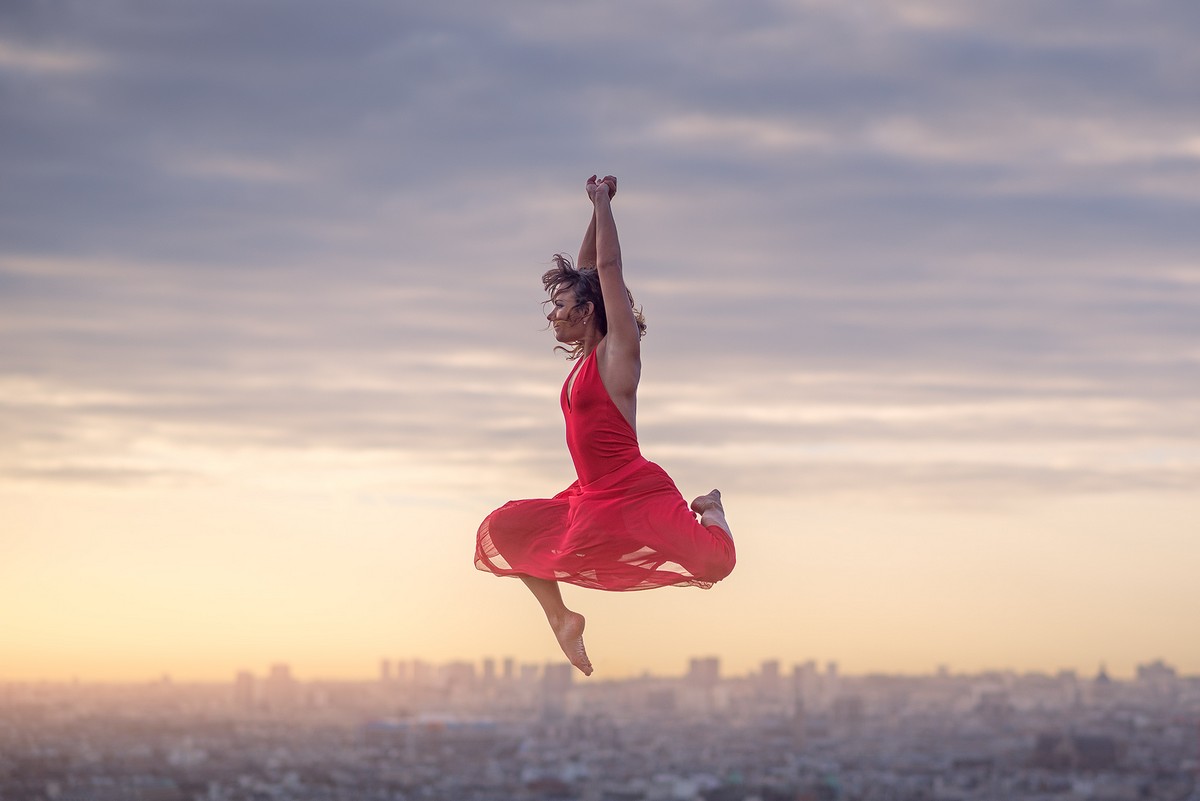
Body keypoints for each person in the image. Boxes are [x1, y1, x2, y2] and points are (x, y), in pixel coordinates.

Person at [474, 175, 735, 676]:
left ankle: (713, 509)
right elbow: (590, 269)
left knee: (714, 566)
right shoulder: (586, 358)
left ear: (589, 309)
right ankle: (562, 619)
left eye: (561, 305)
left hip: (633, 490)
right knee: (505, 528)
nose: (553, 315)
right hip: (591, 494)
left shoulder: (618, 355)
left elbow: (607, 269)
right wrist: (595, 213)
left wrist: (602, 203)